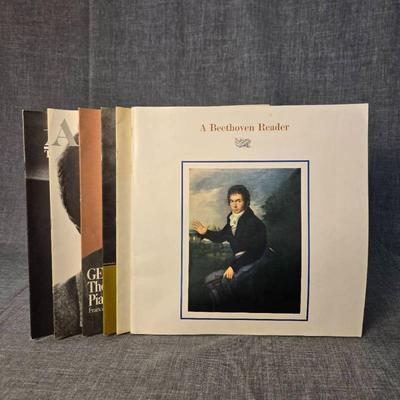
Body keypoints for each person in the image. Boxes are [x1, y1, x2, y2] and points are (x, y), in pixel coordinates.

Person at [192, 185, 269, 309]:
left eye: (238, 201)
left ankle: (231, 309)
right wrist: (206, 232)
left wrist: (234, 267)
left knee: (228, 282)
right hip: (240, 262)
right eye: (232, 201)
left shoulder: (255, 223)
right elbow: (221, 236)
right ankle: (218, 311)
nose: (235, 205)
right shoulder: (232, 220)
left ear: (247, 202)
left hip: (256, 261)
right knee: (210, 280)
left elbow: (256, 252)